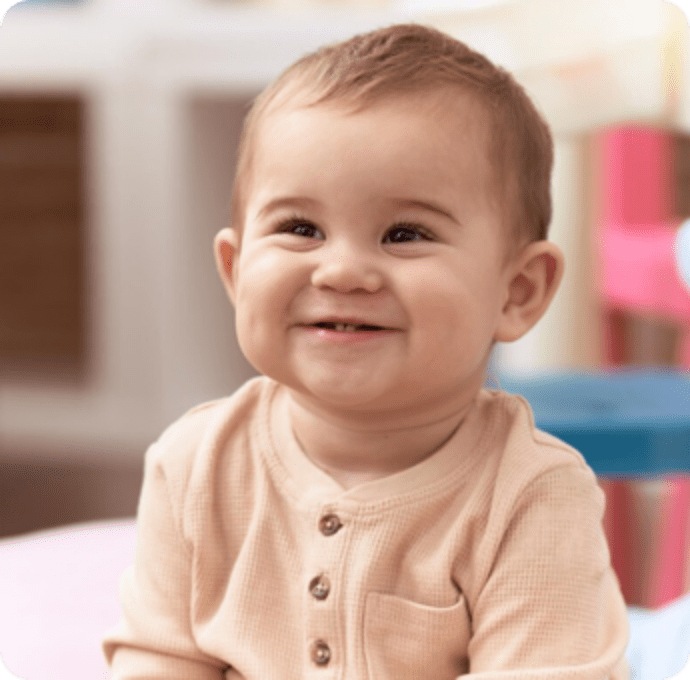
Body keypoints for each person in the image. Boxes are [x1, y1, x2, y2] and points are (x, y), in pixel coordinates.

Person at [103, 23, 629, 679]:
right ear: (236, 272)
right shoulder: (193, 465)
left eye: (404, 233)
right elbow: (158, 658)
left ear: (516, 291)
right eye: (301, 229)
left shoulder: (533, 498)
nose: (343, 272)